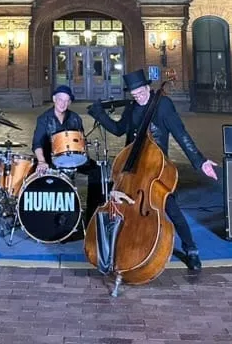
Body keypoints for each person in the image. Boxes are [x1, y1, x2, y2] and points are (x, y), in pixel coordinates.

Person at [88, 68, 218, 272]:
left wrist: (199, 161)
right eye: (134, 94)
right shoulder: (132, 108)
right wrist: (99, 114)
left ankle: (191, 249)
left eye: (140, 92)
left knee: (171, 209)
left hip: (154, 169)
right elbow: (119, 130)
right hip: (131, 170)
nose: (138, 97)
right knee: (124, 208)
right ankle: (121, 246)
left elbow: (180, 134)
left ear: (148, 87)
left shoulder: (163, 105)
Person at [31, 85, 103, 220]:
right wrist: (41, 161)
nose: (63, 104)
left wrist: (84, 147)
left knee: (96, 170)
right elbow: (37, 144)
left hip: (73, 157)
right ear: (54, 99)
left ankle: (92, 214)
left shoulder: (75, 118)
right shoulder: (44, 119)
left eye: (66, 101)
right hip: (51, 159)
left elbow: (80, 140)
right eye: (60, 100)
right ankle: (58, 217)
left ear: (69, 102)